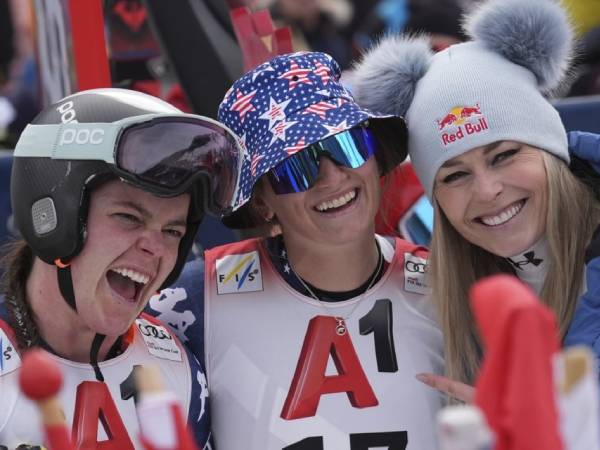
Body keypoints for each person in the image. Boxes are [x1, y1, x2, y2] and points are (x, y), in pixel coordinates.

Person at [149, 51, 444, 449]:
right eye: (296, 167)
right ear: (262, 202)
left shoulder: (446, 283)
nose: (331, 177)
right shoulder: (192, 301)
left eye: (347, 145)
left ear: (376, 158)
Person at [351, 0, 600, 392]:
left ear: (552, 152)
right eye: (455, 176)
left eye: (504, 155)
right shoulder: (444, 305)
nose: (487, 191)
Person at [0, 87, 243, 449]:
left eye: (173, 231)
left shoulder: (177, 371)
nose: (155, 247)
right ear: (52, 216)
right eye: (128, 217)